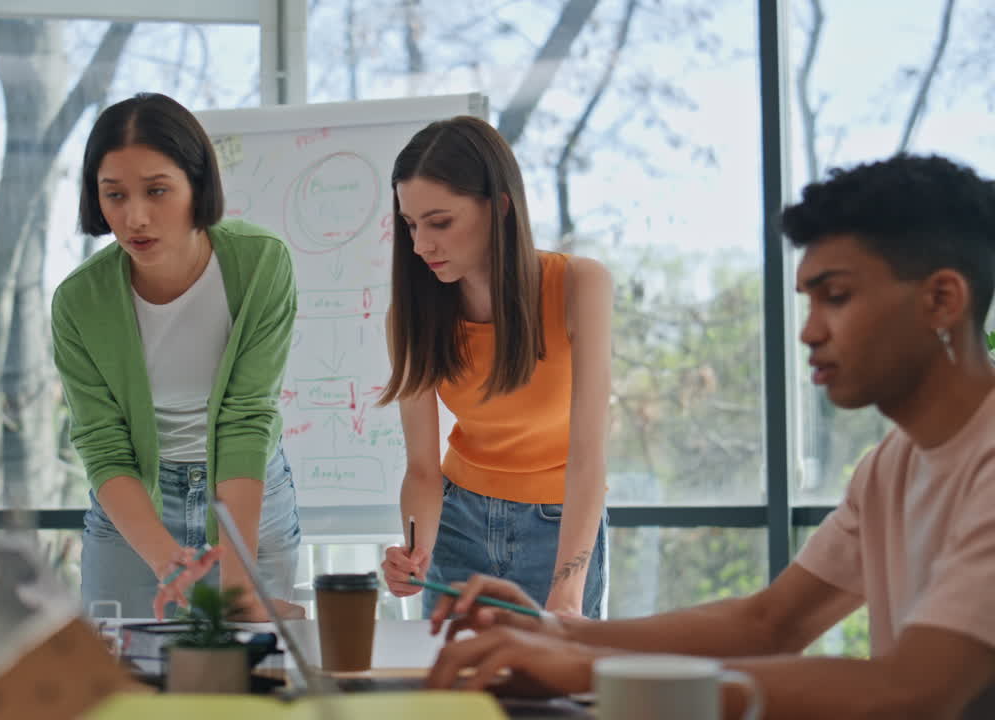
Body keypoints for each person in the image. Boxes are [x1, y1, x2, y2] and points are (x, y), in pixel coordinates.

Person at [423, 154, 995, 719]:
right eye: (808, 301)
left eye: (837, 296)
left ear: (942, 300)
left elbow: (914, 690)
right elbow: (770, 624)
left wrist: (585, 670)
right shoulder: (890, 466)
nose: (809, 330)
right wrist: (552, 632)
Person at [52, 92, 303, 621]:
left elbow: (245, 420)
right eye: (113, 194)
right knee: (122, 678)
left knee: (247, 676)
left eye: (157, 190)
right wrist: (166, 559)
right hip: (136, 502)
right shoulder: (79, 302)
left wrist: (235, 592)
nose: (135, 216)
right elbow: (103, 444)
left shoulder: (261, 264)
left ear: (198, 186)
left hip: (246, 489)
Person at [377, 116, 612, 618]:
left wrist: (566, 594)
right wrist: (414, 555)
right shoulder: (412, 316)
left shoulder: (579, 286)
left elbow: (589, 458)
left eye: (440, 223)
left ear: (500, 207)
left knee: (554, 687)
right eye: (410, 225)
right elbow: (422, 468)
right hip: (457, 521)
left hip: (560, 527)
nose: (420, 246)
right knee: (448, 685)